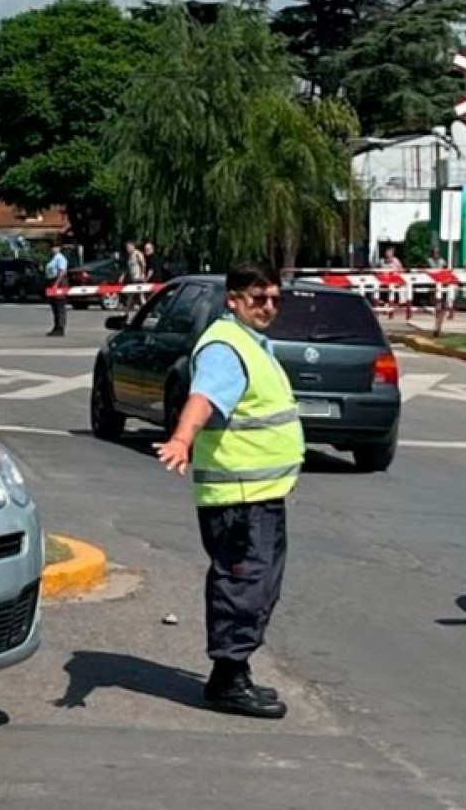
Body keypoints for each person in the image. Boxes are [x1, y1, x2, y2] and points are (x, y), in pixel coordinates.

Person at [155, 261, 303, 720]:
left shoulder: (251, 342)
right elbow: (202, 399)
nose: (268, 307)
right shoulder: (226, 347)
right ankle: (227, 680)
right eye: (258, 299)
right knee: (242, 584)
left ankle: (235, 672)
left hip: (259, 493)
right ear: (234, 300)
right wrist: (182, 439)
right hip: (238, 497)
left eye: (275, 299)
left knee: (257, 585)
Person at [44, 243, 69, 337]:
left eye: (55, 247)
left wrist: (56, 284)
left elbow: (62, 272)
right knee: (54, 306)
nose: (53, 249)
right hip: (52, 281)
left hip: (59, 282)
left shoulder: (60, 258)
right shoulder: (53, 258)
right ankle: (56, 327)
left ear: (59, 248)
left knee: (59, 306)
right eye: (52, 247)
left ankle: (60, 328)